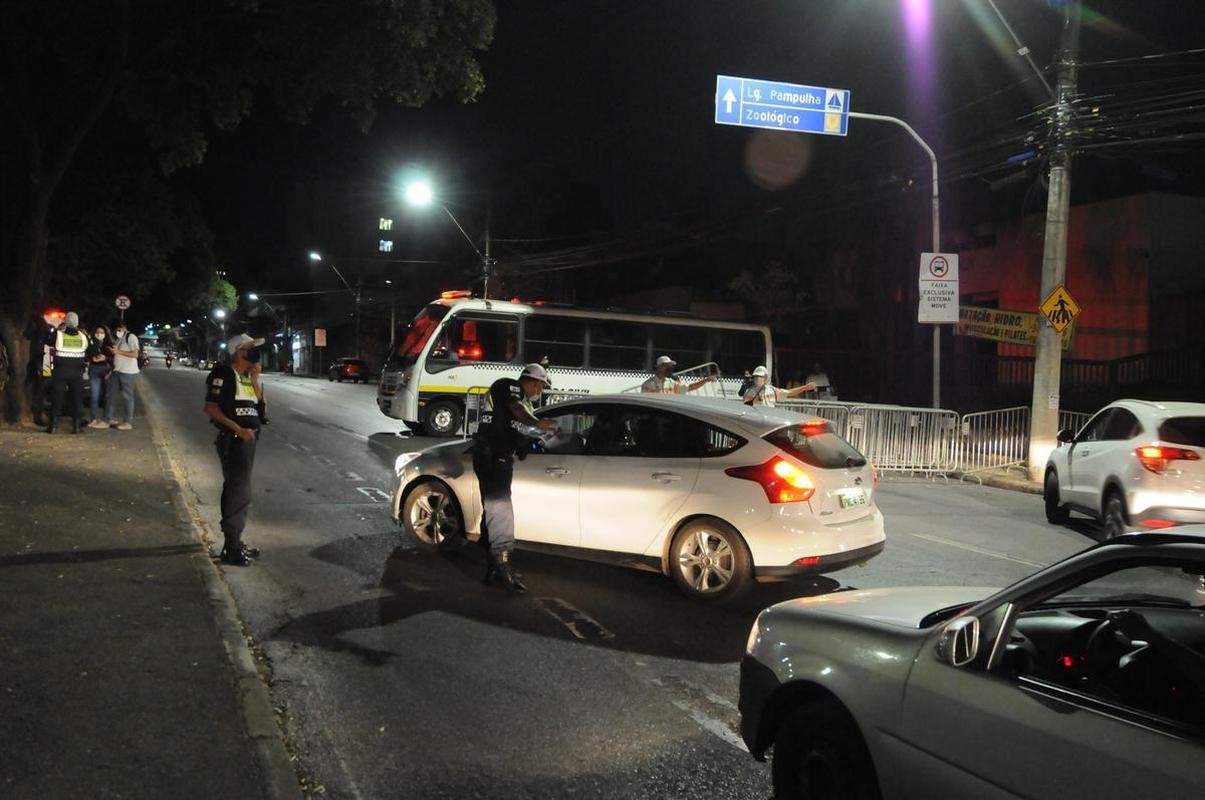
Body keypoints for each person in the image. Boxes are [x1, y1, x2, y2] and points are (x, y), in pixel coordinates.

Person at [471, 363, 557, 592]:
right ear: (535, 382)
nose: (540, 391)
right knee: (500, 510)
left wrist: (527, 441)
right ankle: (502, 564)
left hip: (497, 456)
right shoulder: (508, 386)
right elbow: (517, 410)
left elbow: (516, 424)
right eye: (541, 385)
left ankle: (492, 566)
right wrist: (537, 424)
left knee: (492, 510)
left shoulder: (525, 403)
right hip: (492, 456)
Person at [204, 334, 266, 567]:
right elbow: (210, 408)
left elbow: (257, 405)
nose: (254, 352)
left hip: (247, 441)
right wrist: (239, 430)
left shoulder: (245, 377)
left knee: (242, 491)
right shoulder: (224, 374)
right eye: (251, 348)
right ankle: (231, 547)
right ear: (240, 351)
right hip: (234, 440)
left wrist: (256, 378)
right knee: (237, 491)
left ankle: (236, 541)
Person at [46, 312, 90, 434]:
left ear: (65, 321)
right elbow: (91, 350)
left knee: (57, 398)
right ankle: (76, 427)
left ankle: (53, 426)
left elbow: (48, 341)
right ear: (77, 323)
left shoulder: (58, 335)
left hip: (60, 371)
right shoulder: (82, 336)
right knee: (77, 399)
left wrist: (59, 329)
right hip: (77, 372)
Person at [106, 320, 141, 430]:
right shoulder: (119, 338)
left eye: (119, 329)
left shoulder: (131, 337)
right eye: (115, 330)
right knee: (110, 395)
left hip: (128, 372)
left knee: (127, 397)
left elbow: (135, 354)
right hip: (117, 370)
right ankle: (108, 418)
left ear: (123, 327)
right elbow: (116, 350)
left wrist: (118, 352)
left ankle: (127, 422)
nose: (117, 331)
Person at [742, 365, 816, 407]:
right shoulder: (749, 392)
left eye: (761, 376)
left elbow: (788, 393)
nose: (758, 379)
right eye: (756, 376)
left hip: (769, 421)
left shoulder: (772, 390)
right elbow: (747, 408)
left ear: (766, 378)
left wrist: (805, 387)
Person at [640, 355, 717, 394]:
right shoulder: (648, 385)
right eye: (666, 365)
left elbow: (690, 387)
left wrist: (706, 380)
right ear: (659, 367)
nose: (670, 368)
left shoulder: (671, 382)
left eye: (670, 366)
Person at [86, 324, 114, 427]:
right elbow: (86, 356)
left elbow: (114, 359)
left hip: (107, 370)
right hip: (94, 370)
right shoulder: (91, 343)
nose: (99, 334)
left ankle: (106, 419)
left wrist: (105, 358)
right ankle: (93, 419)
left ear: (106, 334)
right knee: (94, 396)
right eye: (97, 332)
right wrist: (91, 359)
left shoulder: (110, 344)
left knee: (107, 396)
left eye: (101, 333)